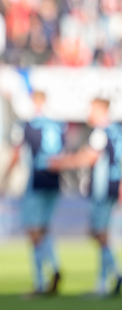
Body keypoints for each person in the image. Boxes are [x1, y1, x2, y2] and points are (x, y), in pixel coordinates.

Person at [52, 97, 122, 297]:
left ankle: (114, 274)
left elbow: (89, 157)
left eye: (91, 109)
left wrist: (61, 163)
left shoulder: (100, 132)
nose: (88, 114)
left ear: (101, 110)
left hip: (101, 189)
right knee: (102, 234)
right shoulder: (116, 130)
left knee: (99, 233)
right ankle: (103, 282)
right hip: (112, 186)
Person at [4, 90, 68, 296]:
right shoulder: (58, 125)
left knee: (34, 232)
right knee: (44, 229)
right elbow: (63, 153)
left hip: (37, 180)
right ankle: (55, 267)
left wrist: (4, 178)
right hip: (55, 181)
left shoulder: (27, 125)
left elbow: (16, 153)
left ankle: (40, 281)